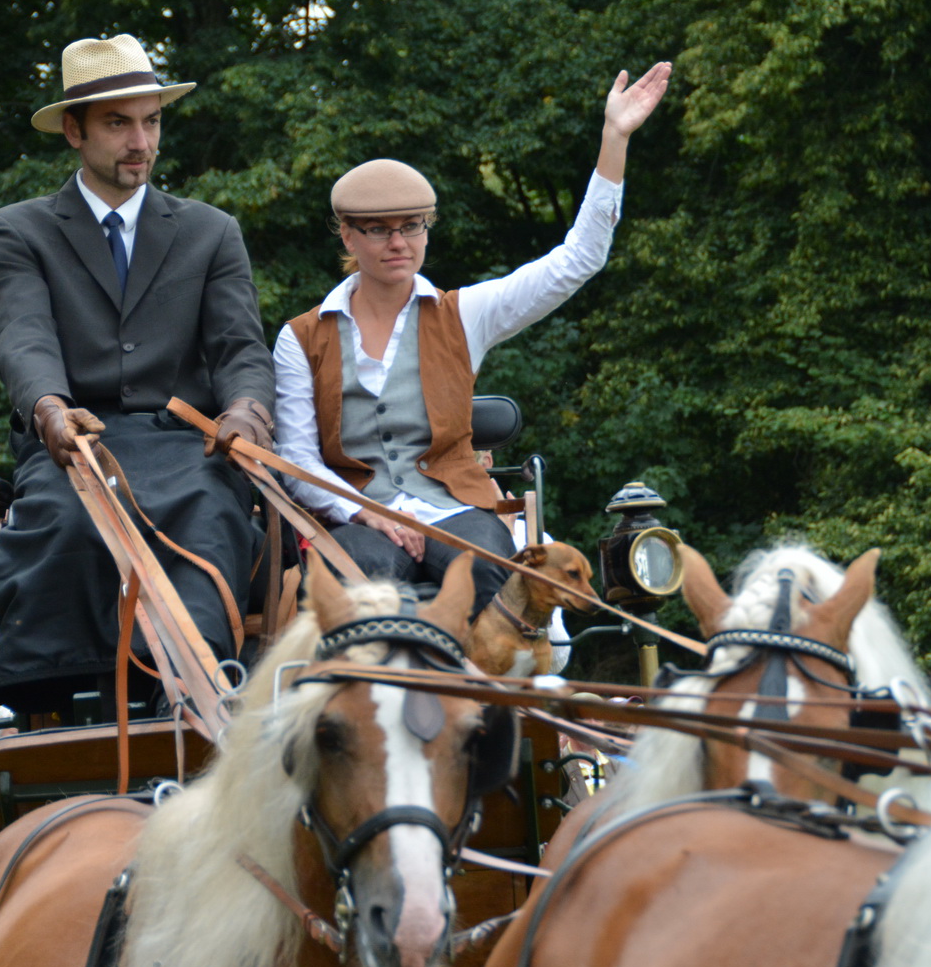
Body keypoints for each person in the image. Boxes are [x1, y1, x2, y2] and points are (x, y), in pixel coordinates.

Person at [275, 63, 672, 616]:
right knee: (358, 580)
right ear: (347, 233)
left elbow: (577, 260)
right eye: (380, 229)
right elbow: (295, 456)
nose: (400, 242)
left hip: (454, 508)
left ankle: (499, 701)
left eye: (413, 226)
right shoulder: (300, 337)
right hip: (357, 512)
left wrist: (614, 140)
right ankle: (369, 699)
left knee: (493, 570)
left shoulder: (464, 314)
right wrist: (366, 512)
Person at [0, 32, 277, 721]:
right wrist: (49, 410)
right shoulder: (18, 232)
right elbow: (21, 336)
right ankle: (51, 698)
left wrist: (247, 413)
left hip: (187, 444)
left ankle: (197, 685)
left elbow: (240, 346)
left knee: (210, 511)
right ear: (74, 133)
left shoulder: (211, 231)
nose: (140, 140)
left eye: (151, 120)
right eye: (119, 123)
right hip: (75, 442)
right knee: (57, 517)